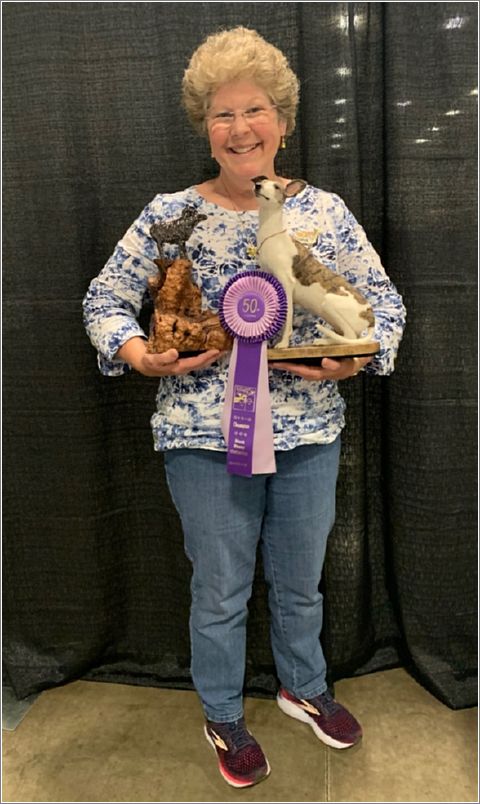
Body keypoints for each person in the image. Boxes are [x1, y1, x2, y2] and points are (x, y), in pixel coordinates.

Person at [83, 26, 406, 789]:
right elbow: (104, 300)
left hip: (309, 433)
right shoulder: (170, 217)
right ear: (206, 128)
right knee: (221, 588)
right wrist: (138, 353)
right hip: (202, 440)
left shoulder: (325, 214)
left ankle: (303, 686)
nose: (239, 129)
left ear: (283, 122)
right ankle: (223, 712)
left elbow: (383, 307)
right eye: (222, 115)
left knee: (302, 580)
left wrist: (356, 357)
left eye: (254, 110)